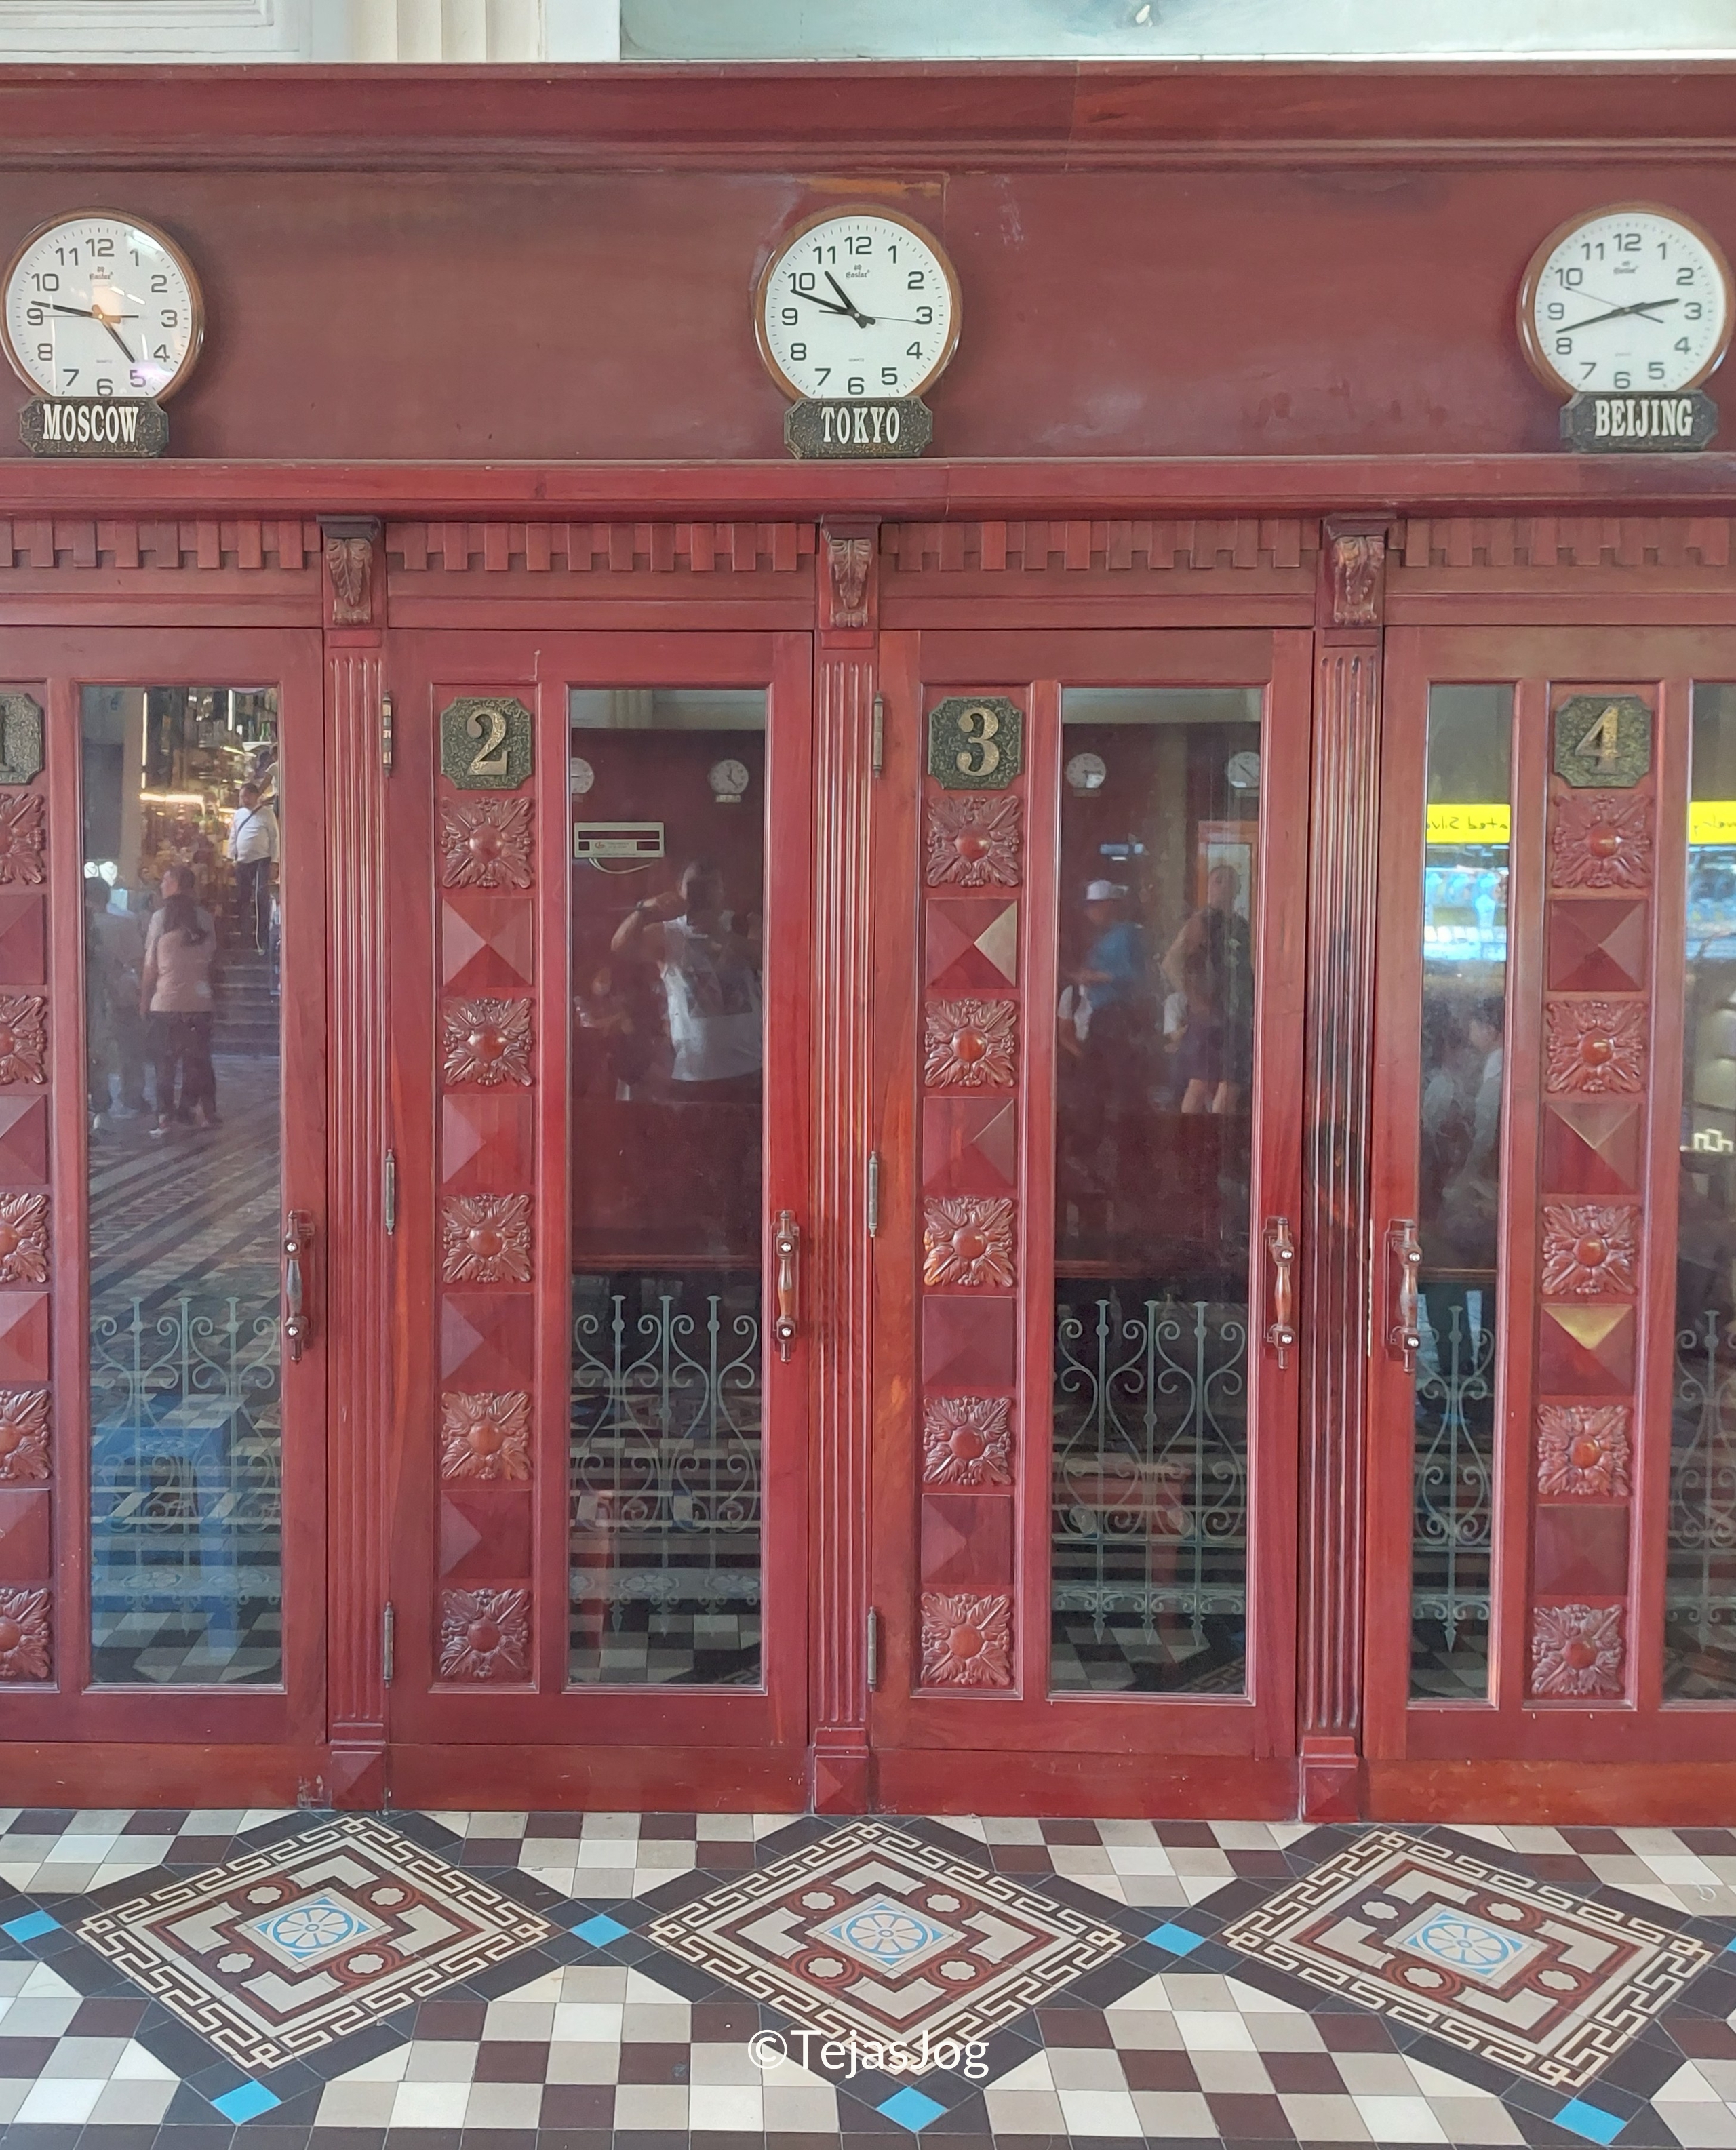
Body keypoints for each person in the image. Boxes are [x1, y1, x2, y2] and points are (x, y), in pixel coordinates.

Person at [610, 859, 764, 1092]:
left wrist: (724, 936)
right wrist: (644, 910)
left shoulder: (744, 923)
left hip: (751, 1067)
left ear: (723, 890)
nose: (704, 894)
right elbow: (621, 948)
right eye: (694, 887)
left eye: (711, 886)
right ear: (679, 889)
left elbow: (768, 958)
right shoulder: (668, 932)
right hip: (692, 1071)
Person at [1162, 862, 1254, 1115]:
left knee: (1232, 1083)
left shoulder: (1242, 927)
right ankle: (1190, 1141)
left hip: (1236, 1015)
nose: (1224, 886)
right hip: (1209, 1016)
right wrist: (1195, 998)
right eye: (1218, 880)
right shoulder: (1200, 922)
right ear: (1209, 888)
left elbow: (1246, 968)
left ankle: (1216, 1140)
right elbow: (1172, 962)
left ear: (1238, 888)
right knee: (1201, 1082)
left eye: (1230, 881)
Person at [140, 885, 218, 1136]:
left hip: (166, 1006)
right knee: (196, 1062)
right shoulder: (204, 941)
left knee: (165, 1064)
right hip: (199, 1005)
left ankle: (165, 1115)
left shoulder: (163, 941)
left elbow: (150, 972)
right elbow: (213, 967)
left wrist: (144, 1001)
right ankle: (190, 1108)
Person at [226, 782, 279, 953]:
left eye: (246, 796)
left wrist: (274, 861)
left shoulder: (267, 814)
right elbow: (233, 836)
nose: (244, 800)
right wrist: (231, 858)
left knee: (260, 897)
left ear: (256, 796)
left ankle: (260, 938)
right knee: (243, 898)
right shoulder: (238, 815)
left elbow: (275, 838)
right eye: (242, 797)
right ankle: (244, 933)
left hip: (261, 860)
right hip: (243, 862)